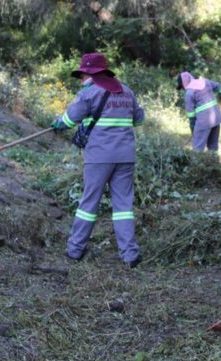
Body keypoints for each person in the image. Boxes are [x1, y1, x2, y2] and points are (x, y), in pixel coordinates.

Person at [51, 52, 144, 268]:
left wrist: (56, 124)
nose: (81, 80)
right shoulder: (127, 91)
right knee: (123, 206)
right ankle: (130, 255)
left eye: (82, 75)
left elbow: (69, 119)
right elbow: (139, 120)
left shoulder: (89, 92)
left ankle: (75, 250)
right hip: (125, 157)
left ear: (90, 74)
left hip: (99, 157)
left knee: (89, 203)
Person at [176, 72, 221, 151]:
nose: (183, 88)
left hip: (204, 121)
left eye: (182, 86)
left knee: (197, 147)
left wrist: (193, 130)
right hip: (216, 118)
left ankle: (197, 162)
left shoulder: (189, 93)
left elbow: (191, 115)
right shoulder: (205, 81)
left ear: (184, 83)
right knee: (213, 146)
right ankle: (214, 161)